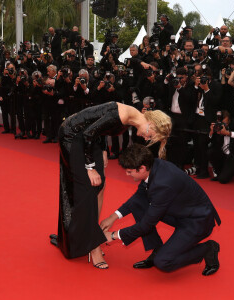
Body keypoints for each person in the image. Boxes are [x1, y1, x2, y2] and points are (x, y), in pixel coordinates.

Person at [50, 102, 172, 269]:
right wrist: (90, 167)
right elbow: (87, 133)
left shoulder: (131, 116)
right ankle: (93, 247)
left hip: (90, 141)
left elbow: (97, 127)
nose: (146, 138)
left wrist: (103, 151)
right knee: (86, 190)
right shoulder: (123, 115)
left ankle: (83, 236)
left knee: (100, 187)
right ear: (151, 124)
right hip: (73, 137)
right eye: (150, 136)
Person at [101, 144, 221, 274]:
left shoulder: (163, 185)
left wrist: (113, 235)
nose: (127, 174)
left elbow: (146, 224)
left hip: (197, 221)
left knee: (163, 262)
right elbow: (139, 197)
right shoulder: (153, 165)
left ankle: (208, 249)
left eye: (129, 171)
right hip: (179, 211)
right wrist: (113, 217)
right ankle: (157, 249)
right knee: (138, 204)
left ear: (142, 168)